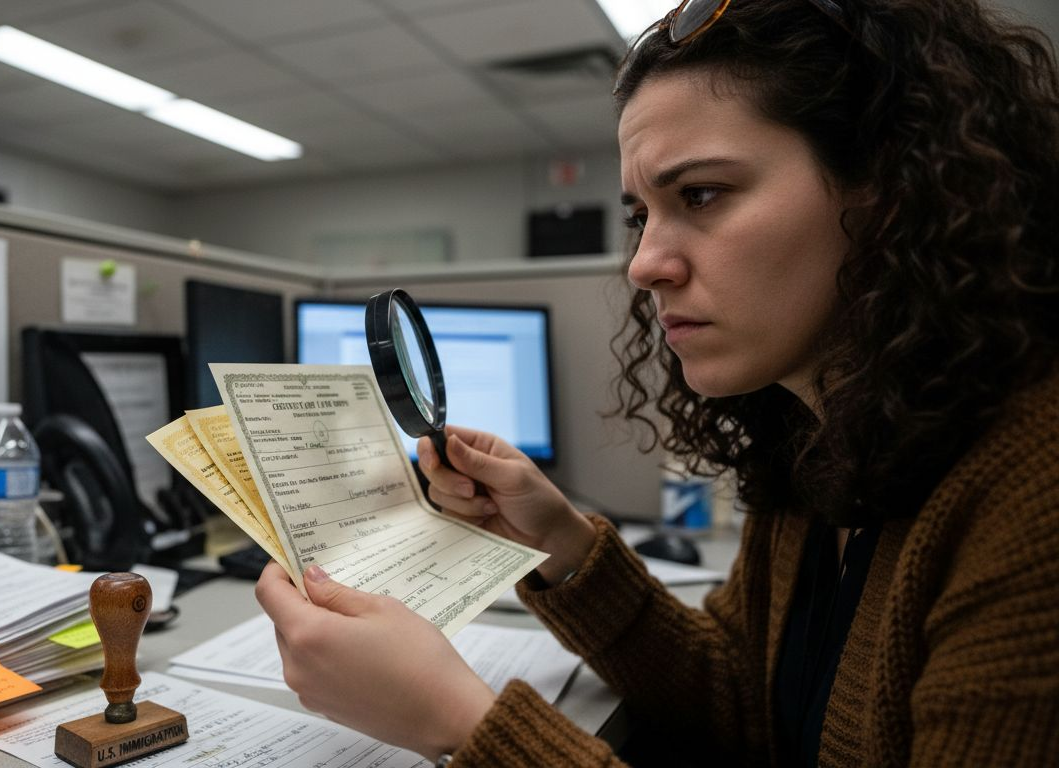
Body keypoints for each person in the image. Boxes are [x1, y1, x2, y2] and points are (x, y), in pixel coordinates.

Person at [255, 0, 1059, 765]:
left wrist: (459, 724)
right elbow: (746, 707)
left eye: (701, 194)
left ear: (894, 188)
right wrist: (560, 547)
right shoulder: (824, 444)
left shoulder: (1034, 496)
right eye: (641, 214)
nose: (644, 265)